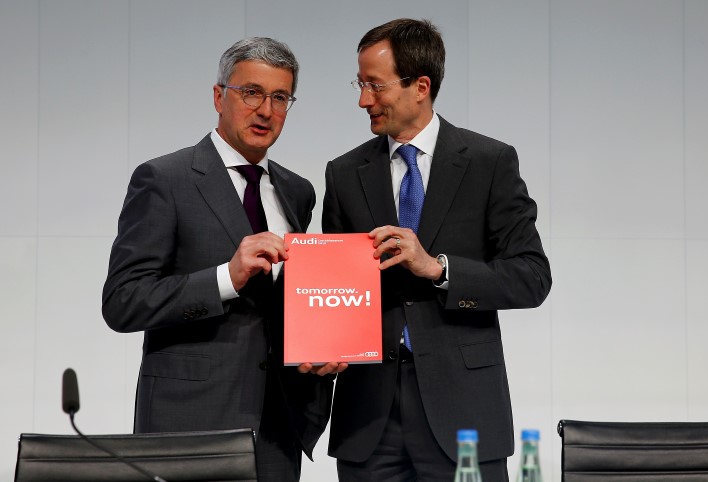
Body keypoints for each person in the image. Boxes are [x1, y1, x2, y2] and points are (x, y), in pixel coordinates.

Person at [321, 19, 552, 481]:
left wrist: (438, 268)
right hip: (369, 419)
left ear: (420, 86)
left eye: (374, 85)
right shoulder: (344, 173)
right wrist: (323, 341)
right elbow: (335, 289)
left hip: (464, 412)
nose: (363, 100)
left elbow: (531, 276)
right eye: (360, 84)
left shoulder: (490, 162)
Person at [102, 37, 338, 482]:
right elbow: (122, 301)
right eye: (251, 92)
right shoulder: (164, 179)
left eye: (280, 97)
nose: (265, 110)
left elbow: (287, 302)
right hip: (189, 423)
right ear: (218, 96)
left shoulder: (297, 190)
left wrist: (323, 344)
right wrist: (226, 277)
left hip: (278, 425)